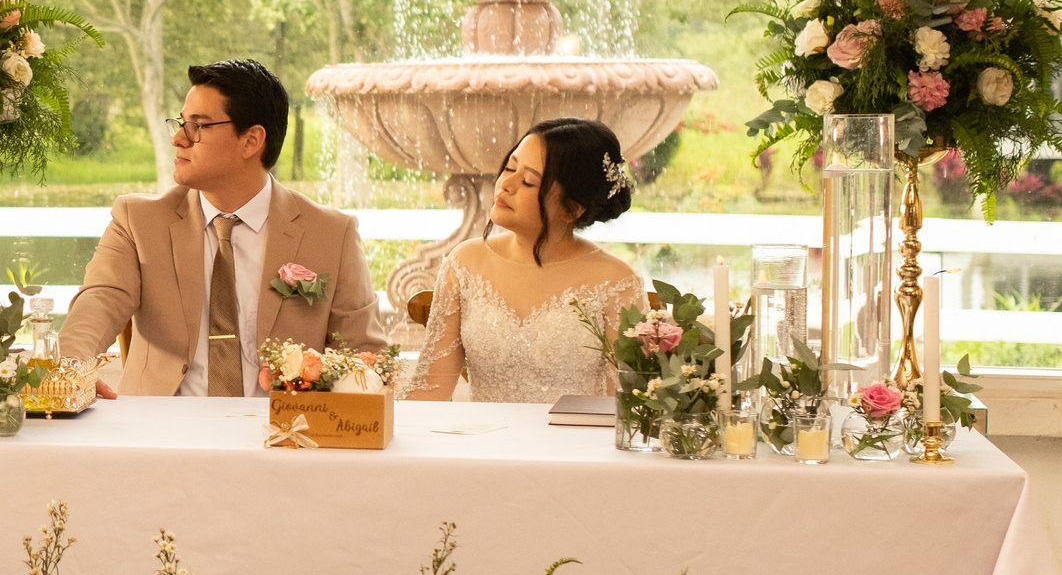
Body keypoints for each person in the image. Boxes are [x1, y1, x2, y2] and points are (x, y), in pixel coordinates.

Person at [60, 59, 386, 396]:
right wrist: (72, 365)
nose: (178, 138)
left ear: (251, 141)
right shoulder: (139, 222)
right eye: (181, 122)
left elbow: (364, 353)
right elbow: (98, 303)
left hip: (285, 434)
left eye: (197, 126)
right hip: (161, 435)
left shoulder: (331, 234)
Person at [402, 117, 642, 404]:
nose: (506, 184)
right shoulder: (464, 263)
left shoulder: (615, 281)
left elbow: (628, 407)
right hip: (479, 444)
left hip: (576, 445)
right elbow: (430, 391)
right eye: (509, 168)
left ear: (573, 208)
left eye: (528, 181)